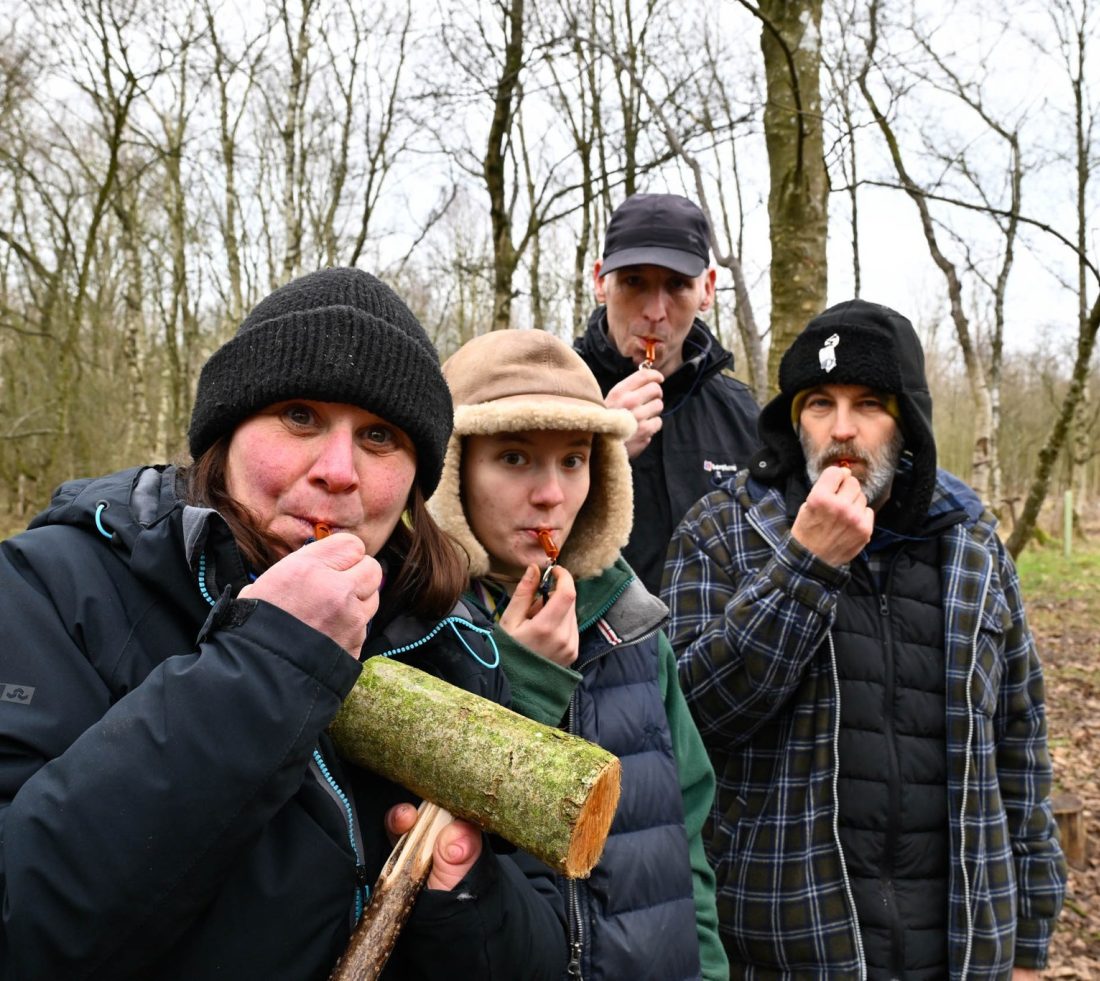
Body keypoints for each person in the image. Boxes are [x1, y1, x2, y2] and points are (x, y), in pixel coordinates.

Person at [0, 268, 566, 980]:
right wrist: (273, 660)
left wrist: (466, 891)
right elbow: (23, 924)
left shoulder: (452, 638)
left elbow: (547, 945)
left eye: (380, 435)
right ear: (226, 432)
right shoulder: (52, 586)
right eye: (300, 415)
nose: (338, 470)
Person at [664, 299, 1066, 980]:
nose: (842, 430)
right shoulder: (723, 530)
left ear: (907, 422)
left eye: (869, 404)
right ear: (795, 421)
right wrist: (807, 564)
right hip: (787, 946)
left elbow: (1018, 743)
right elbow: (694, 721)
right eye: (819, 402)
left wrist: (1027, 936)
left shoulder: (969, 542)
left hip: (961, 948)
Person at [427, 328, 728, 981]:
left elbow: (688, 840)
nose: (552, 495)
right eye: (513, 457)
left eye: (573, 459)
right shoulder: (410, 625)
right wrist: (516, 676)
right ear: (452, 473)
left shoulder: (634, 624)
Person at [574, 192, 759, 595]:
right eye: (634, 282)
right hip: (583, 651)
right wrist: (597, 450)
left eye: (677, 285)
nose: (655, 311)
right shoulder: (553, 392)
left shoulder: (744, 415)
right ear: (600, 282)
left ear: (707, 290)